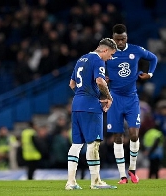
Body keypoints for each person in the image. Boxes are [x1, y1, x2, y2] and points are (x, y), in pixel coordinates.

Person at [106, 24, 158, 184]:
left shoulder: (136, 50)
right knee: (117, 137)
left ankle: (132, 169)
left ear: (126, 37)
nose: (120, 42)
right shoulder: (107, 52)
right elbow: (98, 66)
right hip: (114, 98)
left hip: (131, 99)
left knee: (134, 134)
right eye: (117, 39)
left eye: (123, 39)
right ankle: (122, 175)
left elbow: (153, 58)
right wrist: (103, 76)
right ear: (113, 38)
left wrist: (150, 73)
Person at [65, 38, 117, 190]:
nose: (110, 58)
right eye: (111, 54)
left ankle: (71, 182)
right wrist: (108, 97)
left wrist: (84, 95)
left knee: (76, 144)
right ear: (105, 50)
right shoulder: (98, 60)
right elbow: (100, 81)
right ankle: (96, 182)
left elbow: (72, 84)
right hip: (91, 107)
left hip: (76, 105)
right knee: (93, 143)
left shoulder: (81, 59)